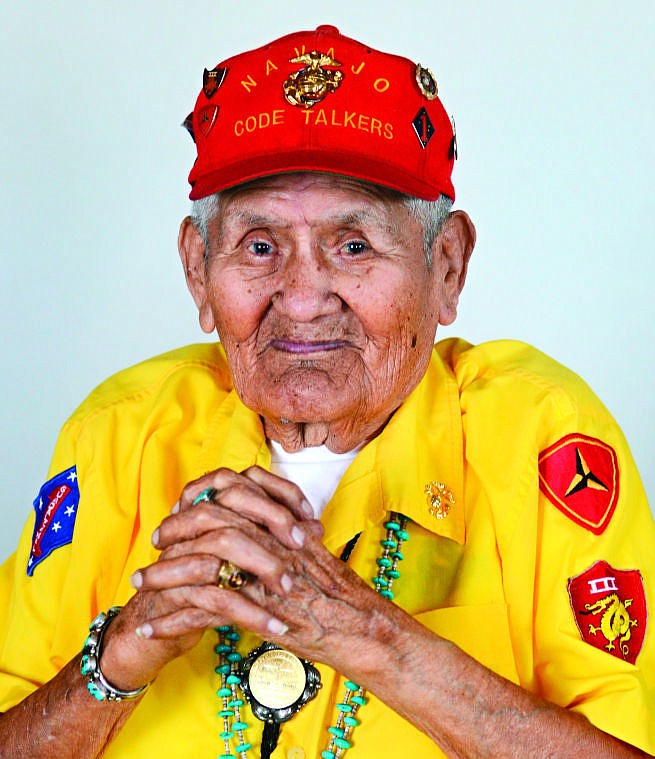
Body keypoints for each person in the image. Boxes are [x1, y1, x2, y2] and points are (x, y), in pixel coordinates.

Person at [0, 24, 653, 758]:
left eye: (353, 246)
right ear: (197, 269)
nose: (303, 298)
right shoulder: (125, 429)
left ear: (446, 267)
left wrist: (370, 635)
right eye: (258, 246)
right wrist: (119, 655)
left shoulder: (536, 431)